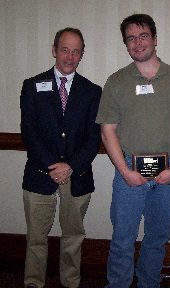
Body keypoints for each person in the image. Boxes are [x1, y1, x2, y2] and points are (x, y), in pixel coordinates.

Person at [96, 14, 170, 288]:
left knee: (157, 237)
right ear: (126, 45)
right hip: (128, 172)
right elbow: (107, 131)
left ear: (155, 39)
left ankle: (149, 284)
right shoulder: (117, 82)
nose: (138, 42)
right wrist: (125, 172)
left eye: (143, 36)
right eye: (131, 38)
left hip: (168, 172)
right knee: (123, 238)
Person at [20, 27, 102, 288]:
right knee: (35, 237)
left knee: (73, 236)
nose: (69, 56)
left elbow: (94, 138)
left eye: (76, 51)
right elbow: (29, 132)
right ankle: (33, 283)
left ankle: (71, 283)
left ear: (82, 55)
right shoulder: (32, 85)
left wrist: (70, 166)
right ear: (54, 50)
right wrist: (52, 166)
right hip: (39, 173)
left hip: (76, 176)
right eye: (65, 49)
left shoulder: (92, 91)